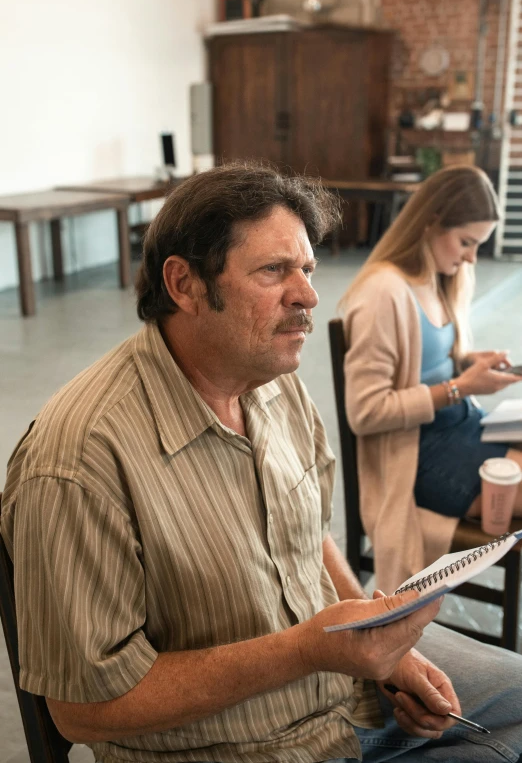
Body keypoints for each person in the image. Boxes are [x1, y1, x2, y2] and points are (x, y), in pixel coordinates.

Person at [1, 162, 522, 763]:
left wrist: (380, 641)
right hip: (246, 745)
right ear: (185, 284)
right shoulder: (80, 459)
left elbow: (309, 535)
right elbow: (82, 708)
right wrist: (308, 651)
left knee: (515, 699)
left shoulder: (272, 381)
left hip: (340, 691)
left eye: (306, 268)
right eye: (274, 271)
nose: (307, 294)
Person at [338, 165, 522, 594]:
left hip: (461, 427)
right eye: (466, 242)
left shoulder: (437, 278)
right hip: (417, 456)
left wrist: (466, 365)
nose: (472, 257)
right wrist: (461, 387)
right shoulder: (383, 293)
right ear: (431, 222)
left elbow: (426, 364)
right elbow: (365, 412)